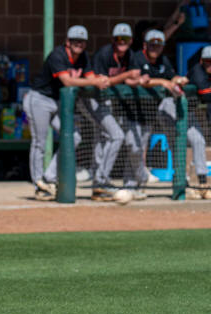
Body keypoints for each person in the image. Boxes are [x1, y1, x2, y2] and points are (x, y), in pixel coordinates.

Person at [23, 26, 109, 201]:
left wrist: (102, 79)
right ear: (67, 42)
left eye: (82, 41)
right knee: (39, 142)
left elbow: (91, 77)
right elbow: (67, 81)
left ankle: (48, 177)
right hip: (39, 99)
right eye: (75, 41)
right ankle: (38, 184)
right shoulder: (58, 55)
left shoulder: (83, 57)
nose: (79, 44)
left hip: (57, 102)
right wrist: (94, 81)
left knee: (74, 137)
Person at [129, 29, 192, 199]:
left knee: (175, 135)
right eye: (152, 45)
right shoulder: (137, 58)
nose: (155, 48)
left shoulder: (164, 60)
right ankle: (137, 181)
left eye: (158, 45)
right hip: (135, 109)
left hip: (156, 107)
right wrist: (163, 82)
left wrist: (178, 80)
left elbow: (171, 77)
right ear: (145, 45)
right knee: (135, 146)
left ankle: (180, 176)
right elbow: (141, 81)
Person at [89, 23, 146, 201]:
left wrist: (140, 80)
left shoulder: (131, 56)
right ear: (113, 40)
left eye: (125, 39)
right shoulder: (103, 54)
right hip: (91, 99)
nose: (122, 42)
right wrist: (127, 75)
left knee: (106, 137)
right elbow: (102, 83)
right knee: (116, 136)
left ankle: (99, 184)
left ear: (131, 41)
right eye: (119, 39)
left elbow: (131, 80)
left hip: (109, 102)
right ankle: (100, 181)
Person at [185, 45, 211, 199]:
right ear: (202, 61)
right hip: (171, 109)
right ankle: (183, 185)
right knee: (178, 147)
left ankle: (202, 184)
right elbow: (206, 94)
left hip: (186, 112)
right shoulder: (197, 70)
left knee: (198, 141)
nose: (210, 64)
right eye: (208, 61)